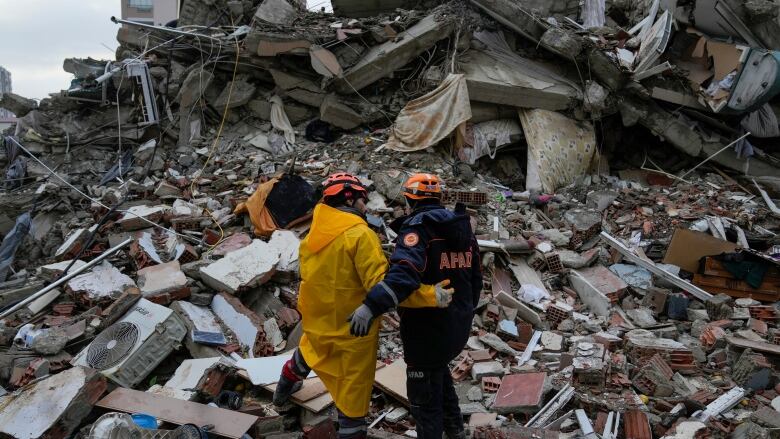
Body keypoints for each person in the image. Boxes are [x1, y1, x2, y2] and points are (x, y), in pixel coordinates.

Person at [273, 173, 452, 439]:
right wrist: (430, 295)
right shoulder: (361, 236)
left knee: (307, 355)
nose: (365, 207)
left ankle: (280, 396)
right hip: (352, 334)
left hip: (319, 326)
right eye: (362, 200)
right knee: (352, 401)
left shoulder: (312, 236)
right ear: (349, 197)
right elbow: (382, 287)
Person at [347, 173, 483, 439]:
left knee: (424, 403)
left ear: (410, 200)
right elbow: (476, 280)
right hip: (457, 326)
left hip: (426, 330)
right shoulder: (463, 228)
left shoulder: (417, 230)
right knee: (441, 378)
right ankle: (456, 432)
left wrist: (370, 306)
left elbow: (404, 277)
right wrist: (463, 312)